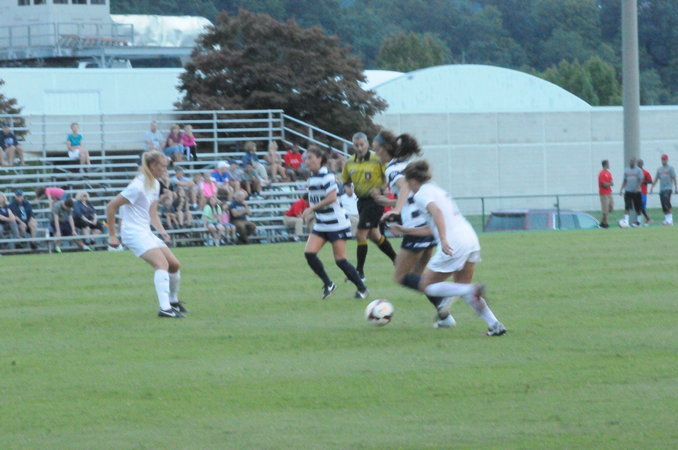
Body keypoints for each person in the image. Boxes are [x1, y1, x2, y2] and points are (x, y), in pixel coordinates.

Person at [390, 160, 506, 335]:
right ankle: (495, 325)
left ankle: (471, 289)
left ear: (412, 181)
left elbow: (437, 213)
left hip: (454, 242)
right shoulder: (437, 190)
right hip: (470, 238)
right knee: (461, 286)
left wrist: (443, 240)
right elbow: (432, 227)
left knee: (426, 285)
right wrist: (405, 230)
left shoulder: (421, 194)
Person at [106, 151, 187, 318]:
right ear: (153, 165)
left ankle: (172, 301)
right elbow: (111, 206)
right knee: (162, 264)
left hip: (145, 231)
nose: (165, 170)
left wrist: (162, 231)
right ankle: (165, 309)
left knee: (174, 265)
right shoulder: (137, 186)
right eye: (162, 166)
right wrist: (112, 235)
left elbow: (152, 213)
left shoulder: (155, 184)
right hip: (133, 232)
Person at [373, 131, 440, 310]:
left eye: (376, 149)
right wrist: (391, 202)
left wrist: (396, 209)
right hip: (428, 224)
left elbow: (404, 186)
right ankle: (444, 315)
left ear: (385, 149)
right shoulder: (407, 165)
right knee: (418, 276)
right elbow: (412, 195)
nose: (376, 154)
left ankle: (445, 297)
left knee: (400, 276)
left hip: (415, 226)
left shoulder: (392, 168)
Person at [302, 145, 369, 299]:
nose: (307, 161)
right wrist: (313, 213)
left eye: (310, 158)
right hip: (322, 223)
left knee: (340, 260)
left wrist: (312, 209)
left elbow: (332, 198)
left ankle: (362, 289)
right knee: (309, 254)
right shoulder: (312, 177)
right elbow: (316, 199)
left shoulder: (327, 176)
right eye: (306, 158)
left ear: (319, 159)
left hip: (337, 224)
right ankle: (328, 284)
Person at [341, 131, 397, 280]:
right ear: (353, 146)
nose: (359, 148)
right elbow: (345, 180)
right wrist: (347, 188)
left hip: (375, 201)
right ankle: (397, 260)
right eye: (356, 145)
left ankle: (359, 272)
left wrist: (380, 189)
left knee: (360, 234)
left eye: (362, 144)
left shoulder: (377, 159)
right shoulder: (350, 162)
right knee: (375, 235)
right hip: (361, 202)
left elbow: (388, 178)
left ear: (367, 144)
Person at [650, 154, 678, 226]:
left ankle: (670, 220)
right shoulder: (659, 169)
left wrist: (676, 188)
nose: (663, 161)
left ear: (667, 160)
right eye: (662, 159)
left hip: (668, 188)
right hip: (661, 189)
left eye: (664, 159)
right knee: (663, 206)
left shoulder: (670, 168)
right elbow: (656, 179)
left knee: (666, 203)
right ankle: (666, 220)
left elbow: (674, 178)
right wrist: (652, 188)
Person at [619, 157, 644, 227]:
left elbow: (641, 179)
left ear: (635, 162)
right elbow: (625, 180)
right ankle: (626, 222)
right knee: (627, 207)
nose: (631, 162)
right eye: (630, 161)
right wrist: (621, 189)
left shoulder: (638, 170)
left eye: (633, 161)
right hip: (628, 191)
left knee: (638, 208)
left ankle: (638, 222)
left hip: (636, 192)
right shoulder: (626, 170)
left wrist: (637, 187)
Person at [598, 160, 614, 228]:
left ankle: (602, 222)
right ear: (605, 165)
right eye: (608, 164)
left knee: (611, 207)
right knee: (605, 208)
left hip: (609, 192)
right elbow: (603, 184)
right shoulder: (601, 173)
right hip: (603, 193)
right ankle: (606, 223)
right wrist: (609, 184)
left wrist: (609, 184)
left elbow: (612, 182)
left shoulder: (608, 173)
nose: (609, 165)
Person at [637, 159, 653, 225]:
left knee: (642, 207)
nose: (639, 164)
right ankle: (638, 222)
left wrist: (643, 181)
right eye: (638, 163)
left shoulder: (646, 172)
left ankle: (648, 219)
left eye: (640, 163)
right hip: (636, 192)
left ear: (642, 164)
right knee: (638, 207)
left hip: (643, 192)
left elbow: (650, 181)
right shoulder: (635, 172)